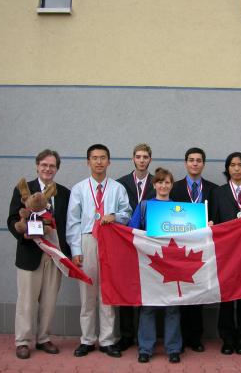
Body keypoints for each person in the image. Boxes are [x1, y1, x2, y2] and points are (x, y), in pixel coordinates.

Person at [66, 144, 132, 358]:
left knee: (108, 292)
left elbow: (127, 213)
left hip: (111, 241)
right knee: (87, 294)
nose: (99, 162)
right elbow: (73, 222)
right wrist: (75, 249)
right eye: (94, 158)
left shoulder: (117, 188)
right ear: (88, 162)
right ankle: (87, 340)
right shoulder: (79, 189)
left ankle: (107, 340)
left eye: (103, 158)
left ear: (109, 161)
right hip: (87, 240)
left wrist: (115, 215)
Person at [7, 149, 70, 359]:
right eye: (44, 165)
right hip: (29, 254)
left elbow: (66, 226)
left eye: (52, 166)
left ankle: (43, 338)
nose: (48, 169)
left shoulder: (64, 193)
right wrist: (22, 234)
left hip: (53, 255)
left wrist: (68, 255)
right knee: (26, 300)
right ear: (37, 166)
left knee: (50, 300)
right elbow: (11, 219)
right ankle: (23, 341)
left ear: (57, 169)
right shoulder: (24, 189)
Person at [129, 168, 182, 364]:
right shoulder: (144, 206)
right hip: (149, 263)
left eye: (167, 182)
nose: (163, 186)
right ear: (154, 185)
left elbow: (190, 234)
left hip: (173, 263)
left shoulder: (180, 209)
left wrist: (205, 225)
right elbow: (131, 230)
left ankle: (173, 348)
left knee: (173, 308)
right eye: (160, 182)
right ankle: (145, 348)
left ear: (171, 185)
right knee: (148, 307)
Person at [210, 152, 241, 355]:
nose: (237, 168)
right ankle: (227, 338)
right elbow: (213, 220)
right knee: (226, 296)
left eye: (240, 165)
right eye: (232, 165)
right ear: (227, 168)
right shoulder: (218, 193)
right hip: (225, 253)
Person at [170, 147, 217, 352]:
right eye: (191, 160)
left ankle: (195, 338)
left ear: (203, 164)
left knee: (197, 292)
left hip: (202, 248)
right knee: (180, 292)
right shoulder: (174, 188)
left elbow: (219, 216)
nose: (195, 163)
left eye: (199, 160)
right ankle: (179, 339)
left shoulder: (214, 189)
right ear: (186, 163)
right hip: (179, 248)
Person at [116, 143, 156, 351]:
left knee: (147, 289)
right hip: (126, 243)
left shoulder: (157, 183)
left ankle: (145, 336)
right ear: (133, 159)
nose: (141, 160)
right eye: (138, 157)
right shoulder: (120, 184)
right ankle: (126, 335)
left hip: (149, 245)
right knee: (126, 288)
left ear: (150, 159)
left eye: (145, 157)